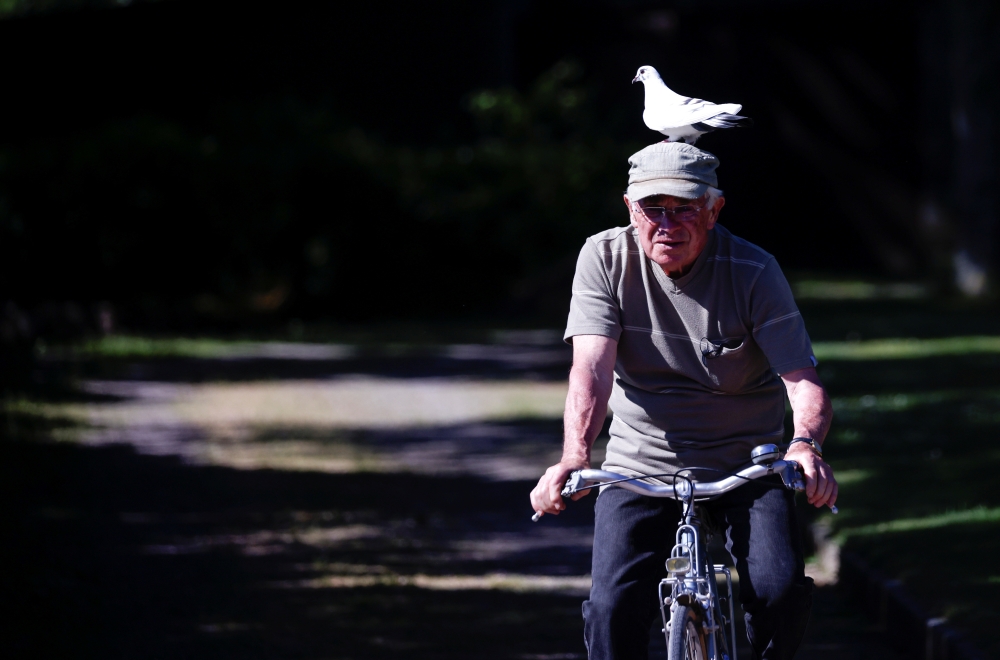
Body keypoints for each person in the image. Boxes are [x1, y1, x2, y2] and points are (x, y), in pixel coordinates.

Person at [529, 141, 837, 660]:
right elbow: (592, 369)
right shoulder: (604, 258)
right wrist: (575, 457)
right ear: (630, 209)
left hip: (748, 466)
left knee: (779, 591)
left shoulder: (754, 271)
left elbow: (803, 382)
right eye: (653, 209)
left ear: (714, 210)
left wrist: (804, 446)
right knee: (611, 610)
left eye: (684, 208)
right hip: (638, 466)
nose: (666, 223)